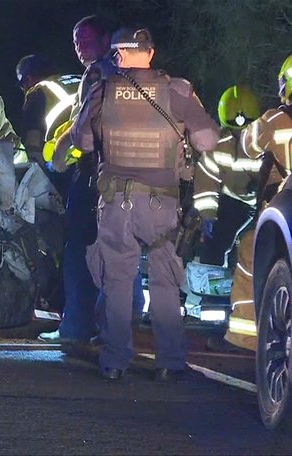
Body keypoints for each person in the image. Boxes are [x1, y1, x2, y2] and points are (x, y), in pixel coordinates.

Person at [71, 28, 218, 380]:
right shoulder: (178, 91)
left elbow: (82, 141)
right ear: (150, 54)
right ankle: (169, 362)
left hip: (114, 202)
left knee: (118, 280)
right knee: (165, 279)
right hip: (161, 204)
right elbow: (209, 140)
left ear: (117, 55)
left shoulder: (101, 90)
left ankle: (115, 361)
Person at [40, 15, 144, 345]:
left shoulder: (98, 73)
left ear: (105, 41)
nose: (79, 48)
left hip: (95, 177)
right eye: (75, 42)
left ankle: (76, 328)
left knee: (79, 253)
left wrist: (59, 152)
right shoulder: (134, 75)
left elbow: (84, 127)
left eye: (85, 40)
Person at [219, 53, 292, 352]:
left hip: (286, 206)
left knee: (250, 250)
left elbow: (248, 146)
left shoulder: (276, 119)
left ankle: (244, 338)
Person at [190, 85, 263, 352]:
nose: (241, 133)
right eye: (234, 128)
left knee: (257, 250)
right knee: (214, 243)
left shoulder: (266, 141)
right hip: (232, 202)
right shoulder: (217, 145)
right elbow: (206, 183)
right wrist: (208, 217)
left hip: (266, 202)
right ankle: (213, 307)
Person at [15, 54, 80, 198]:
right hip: (101, 157)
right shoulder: (79, 79)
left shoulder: (38, 92)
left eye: (21, 85)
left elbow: (33, 148)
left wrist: (46, 191)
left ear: (28, 79)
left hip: (66, 164)